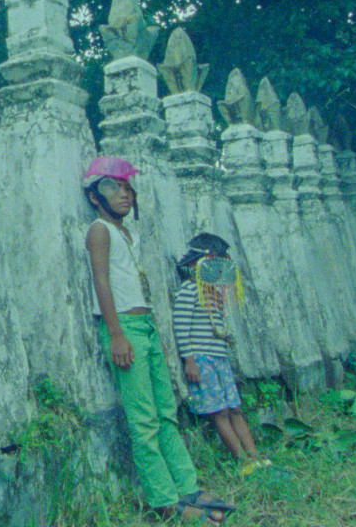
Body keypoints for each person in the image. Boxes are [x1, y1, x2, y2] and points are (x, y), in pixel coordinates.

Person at [83, 156, 233, 523]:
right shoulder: (99, 230)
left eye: (128, 187)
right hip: (124, 329)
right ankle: (164, 501)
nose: (124, 194)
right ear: (94, 197)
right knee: (144, 420)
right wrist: (117, 335)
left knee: (166, 413)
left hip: (146, 326)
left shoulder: (127, 234)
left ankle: (187, 488)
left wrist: (155, 335)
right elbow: (101, 281)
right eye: (114, 187)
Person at [173, 232, 268, 476]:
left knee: (235, 408)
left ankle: (255, 457)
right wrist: (190, 361)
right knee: (220, 412)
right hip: (202, 360)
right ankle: (242, 461)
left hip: (219, 359)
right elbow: (181, 326)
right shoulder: (189, 289)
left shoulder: (213, 293)